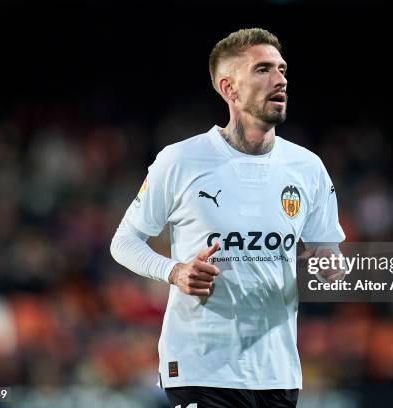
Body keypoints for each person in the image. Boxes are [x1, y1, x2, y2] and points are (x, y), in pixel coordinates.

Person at [110, 28, 345, 408]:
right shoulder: (180, 160)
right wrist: (174, 271)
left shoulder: (308, 167)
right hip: (202, 366)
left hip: (277, 371)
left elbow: (326, 253)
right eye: (263, 69)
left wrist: (328, 266)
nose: (281, 79)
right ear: (229, 89)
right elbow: (123, 242)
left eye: (282, 69)